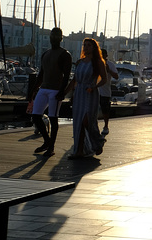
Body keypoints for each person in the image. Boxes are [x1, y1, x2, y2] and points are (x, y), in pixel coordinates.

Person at [30, 27, 72, 157]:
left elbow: (66, 76)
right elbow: (41, 73)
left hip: (55, 90)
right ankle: (47, 141)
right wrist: (35, 89)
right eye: (52, 36)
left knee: (53, 118)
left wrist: (62, 92)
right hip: (44, 88)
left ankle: (51, 147)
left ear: (61, 38)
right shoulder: (46, 54)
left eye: (56, 36)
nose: (53, 38)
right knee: (36, 116)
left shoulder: (65, 54)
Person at [64, 38, 107, 159]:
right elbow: (74, 81)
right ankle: (79, 151)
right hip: (79, 94)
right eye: (84, 45)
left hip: (91, 93)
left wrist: (95, 86)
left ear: (94, 48)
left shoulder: (98, 62)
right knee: (79, 123)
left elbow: (104, 79)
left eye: (89, 45)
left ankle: (98, 141)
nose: (86, 47)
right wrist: (66, 93)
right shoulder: (80, 62)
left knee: (87, 121)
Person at [97, 48, 118, 136]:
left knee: (105, 110)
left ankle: (106, 126)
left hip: (105, 92)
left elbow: (116, 76)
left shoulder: (110, 64)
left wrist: (109, 70)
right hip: (95, 90)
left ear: (106, 56)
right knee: (91, 109)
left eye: (103, 55)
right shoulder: (95, 63)